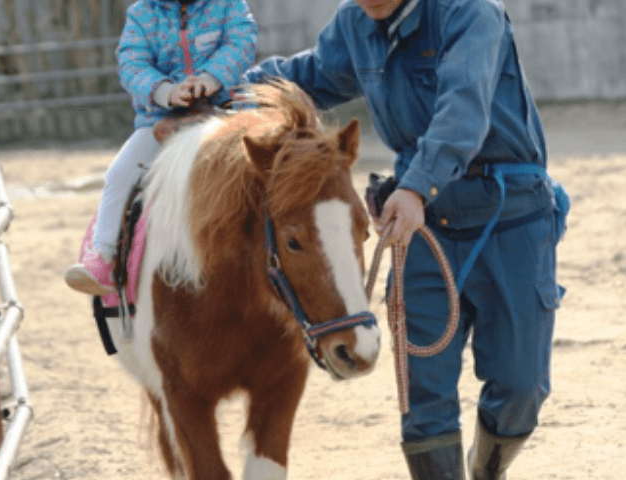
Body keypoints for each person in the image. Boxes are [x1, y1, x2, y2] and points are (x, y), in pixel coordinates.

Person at [243, 0, 567, 479]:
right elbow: (305, 77)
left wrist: (417, 187)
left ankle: (485, 469)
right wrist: (226, 91)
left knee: (521, 388)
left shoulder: (471, 12)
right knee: (423, 397)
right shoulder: (356, 23)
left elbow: (463, 108)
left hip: (510, 218)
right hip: (423, 227)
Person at [64, 0, 258, 296]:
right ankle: (102, 256)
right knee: (119, 175)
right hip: (161, 117)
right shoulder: (142, 14)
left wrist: (209, 79)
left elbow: (241, 41)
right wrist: (166, 91)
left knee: (270, 162)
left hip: (227, 107)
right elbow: (132, 64)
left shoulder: (229, 4)